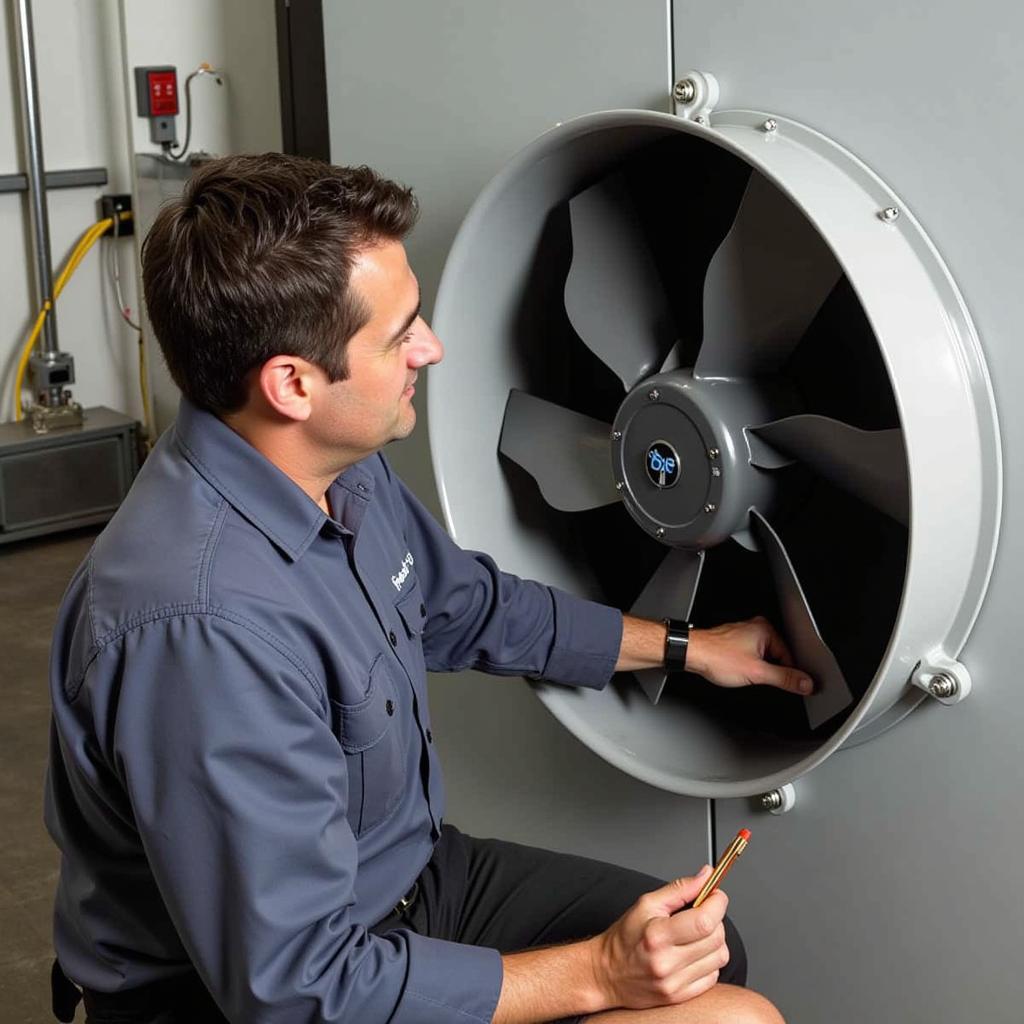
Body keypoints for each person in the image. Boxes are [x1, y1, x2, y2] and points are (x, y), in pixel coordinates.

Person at [45, 153, 810, 1024]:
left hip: (402, 884)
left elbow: (470, 609)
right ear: (292, 384)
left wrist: (687, 646)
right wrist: (600, 973)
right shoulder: (200, 630)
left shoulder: (331, 468)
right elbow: (297, 988)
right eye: (399, 332)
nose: (432, 348)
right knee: (735, 1018)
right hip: (242, 995)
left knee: (708, 954)